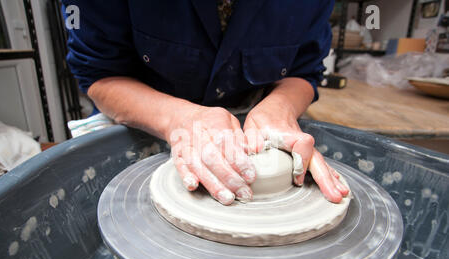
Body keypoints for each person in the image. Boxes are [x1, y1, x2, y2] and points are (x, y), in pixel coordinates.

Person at [62, 0, 349, 205]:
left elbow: (304, 71)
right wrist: (180, 119)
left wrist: (280, 108)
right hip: (144, 121)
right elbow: (100, 75)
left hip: (253, 125)